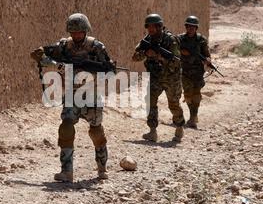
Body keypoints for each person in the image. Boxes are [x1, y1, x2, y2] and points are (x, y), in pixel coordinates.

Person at [30, 13, 113, 183]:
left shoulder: (96, 47)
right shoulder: (64, 46)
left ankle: (102, 168)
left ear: (85, 31)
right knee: (66, 128)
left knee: (96, 130)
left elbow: (110, 71)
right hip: (71, 96)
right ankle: (66, 171)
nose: (76, 36)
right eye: (73, 32)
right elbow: (42, 52)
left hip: (91, 95)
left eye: (79, 32)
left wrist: (92, 72)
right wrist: (42, 55)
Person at [132, 14, 185, 142]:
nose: (150, 30)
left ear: (159, 27)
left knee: (173, 104)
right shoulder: (147, 40)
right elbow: (135, 57)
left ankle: (179, 126)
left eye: (153, 27)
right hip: (155, 77)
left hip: (171, 78)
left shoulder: (170, 40)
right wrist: (146, 53)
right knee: (150, 102)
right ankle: (152, 131)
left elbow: (176, 62)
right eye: (148, 27)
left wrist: (158, 56)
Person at [178, 16, 212, 129]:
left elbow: (207, 55)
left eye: (193, 27)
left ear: (196, 28)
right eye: (189, 26)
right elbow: (173, 49)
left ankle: (193, 117)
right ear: (186, 27)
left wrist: (207, 60)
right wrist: (181, 51)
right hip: (185, 71)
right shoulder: (180, 39)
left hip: (197, 72)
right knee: (187, 95)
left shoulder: (201, 40)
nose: (191, 29)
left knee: (196, 94)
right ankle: (192, 115)